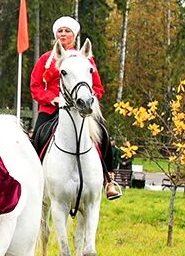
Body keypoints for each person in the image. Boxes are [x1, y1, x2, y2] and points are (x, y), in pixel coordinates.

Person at [30, 16, 122, 201]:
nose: (63, 34)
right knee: (37, 136)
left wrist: (87, 100)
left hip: (79, 109)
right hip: (51, 109)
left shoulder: (85, 59)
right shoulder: (45, 59)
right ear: (55, 34)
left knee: (103, 133)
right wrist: (52, 99)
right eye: (60, 31)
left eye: (67, 31)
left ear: (74, 35)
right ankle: (33, 178)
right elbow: (35, 86)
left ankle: (109, 179)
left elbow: (97, 87)